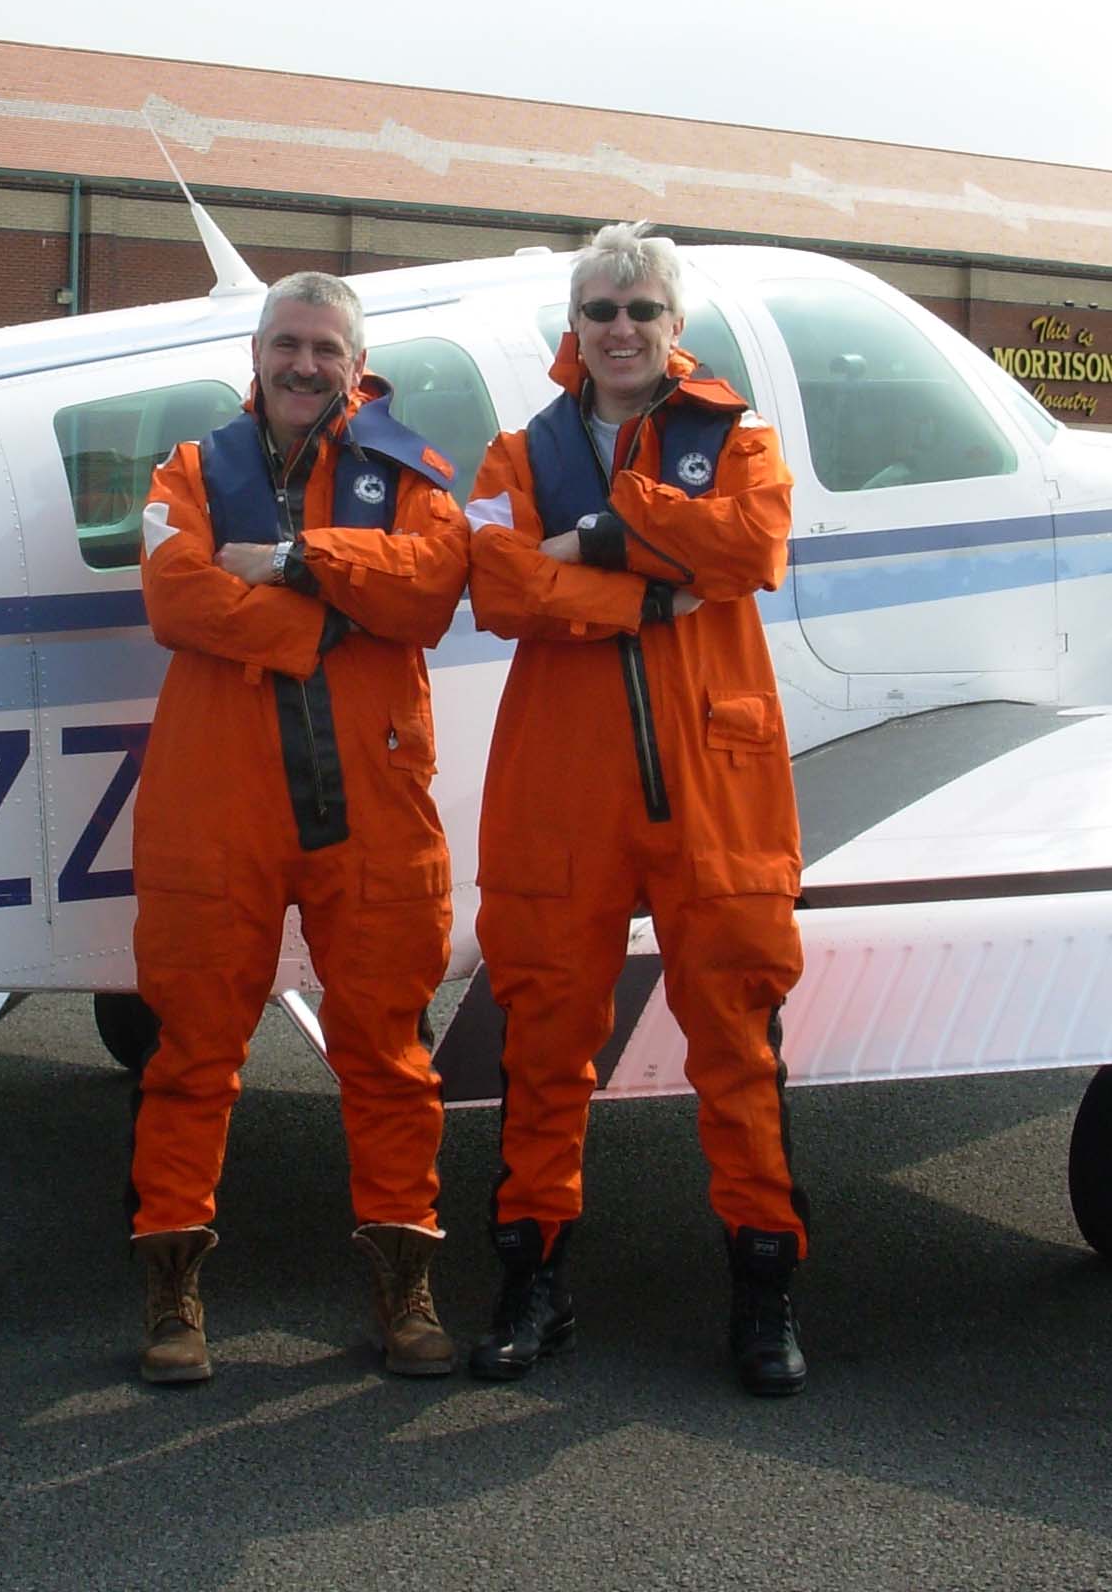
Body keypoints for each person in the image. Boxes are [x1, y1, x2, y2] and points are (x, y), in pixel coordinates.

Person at [462, 221, 810, 1396]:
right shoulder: (519, 451)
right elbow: (503, 588)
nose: (619, 328)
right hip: (562, 793)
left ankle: (762, 1293)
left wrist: (605, 534)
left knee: (735, 1040)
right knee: (544, 1042)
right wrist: (652, 598)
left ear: (675, 328)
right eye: (599, 311)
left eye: (640, 310)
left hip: (714, 789)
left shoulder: (735, 436)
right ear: (575, 329)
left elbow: (754, 542)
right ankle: (531, 1280)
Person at [126, 269, 472, 1385]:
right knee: (191, 1057)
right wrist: (322, 629)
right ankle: (173, 1296)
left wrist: (296, 563)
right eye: (287, 343)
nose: (303, 364)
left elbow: (426, 591)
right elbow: (173, 596)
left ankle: (403, 1287)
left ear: (353, 361)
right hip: (213, 814)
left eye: (325, 347)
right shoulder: (188, 470)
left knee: (388, 1057)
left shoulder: (407, 469)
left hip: (368, 812)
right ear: (257, 354)